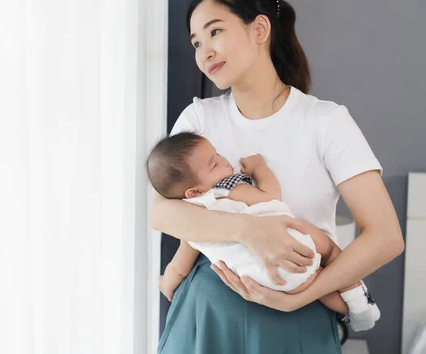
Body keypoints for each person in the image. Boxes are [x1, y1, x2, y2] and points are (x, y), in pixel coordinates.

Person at [149, 0, 404, 353]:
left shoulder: (325, 121)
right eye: (196, 43)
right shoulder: (199, 119)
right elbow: (162, 213)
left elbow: (385, 236)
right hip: (207, 314)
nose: (204, 52)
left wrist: (302, 296)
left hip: (299, 311)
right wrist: (250, 231)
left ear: (260, 29)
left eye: (215, 31)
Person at [146, 132, 381, 331]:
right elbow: (270, 196)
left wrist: (167, 283)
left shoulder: (193, 226)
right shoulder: (227, 190)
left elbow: (179, 266)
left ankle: (354, 313)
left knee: (315, 283)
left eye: (217, 154)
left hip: (264, 281)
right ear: (194, 192)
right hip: (291, 240)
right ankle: (359, 305)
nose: (224, 160)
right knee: (329, 253)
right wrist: (260, 169)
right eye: (215, 164)